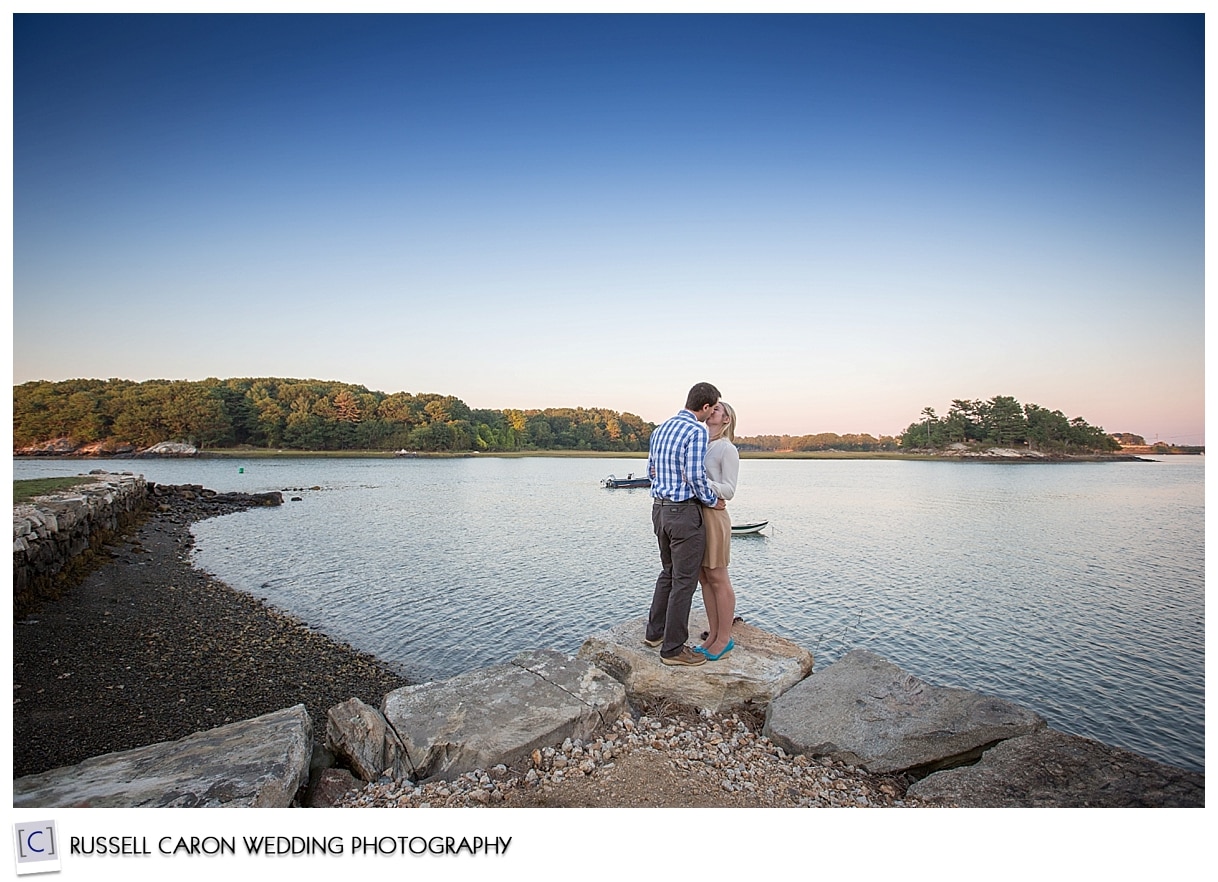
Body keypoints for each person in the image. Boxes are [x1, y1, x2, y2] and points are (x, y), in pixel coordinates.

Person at [644, 381, 724, 667]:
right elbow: (695, 475)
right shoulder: (695, 430)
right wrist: (711, 500)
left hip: (659, 510)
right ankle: (673, 649)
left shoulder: (660, 429)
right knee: (684, 581)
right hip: (683, 513)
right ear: (705, 407)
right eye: (712, 408)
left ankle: (654, 634)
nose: (712, 413)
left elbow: (650, 470)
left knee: (668, 572)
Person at [696, 401, 740, 661]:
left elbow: (730, 490)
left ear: (726, 420)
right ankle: (713, 634)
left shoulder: (727, 448)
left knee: (718, 577)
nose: (712, 411)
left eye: (717, 410)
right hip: (696, 515)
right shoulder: (701, 443)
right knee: (704, 577)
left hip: (714, 516)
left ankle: (724, 638)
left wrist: (702, 483)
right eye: (710, 408)